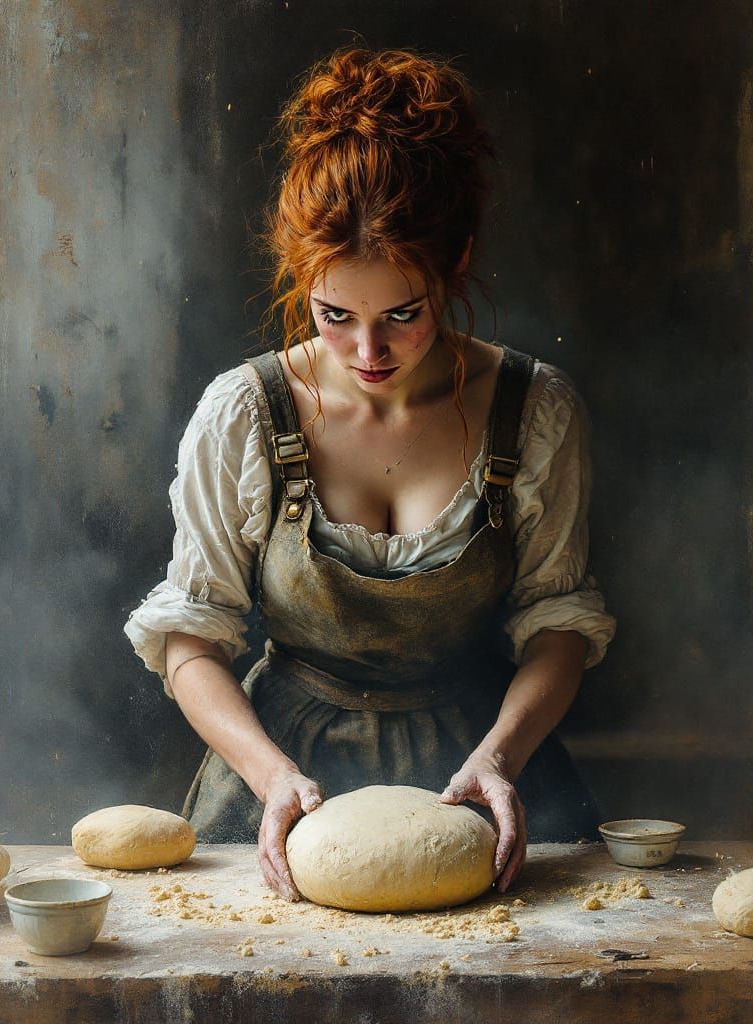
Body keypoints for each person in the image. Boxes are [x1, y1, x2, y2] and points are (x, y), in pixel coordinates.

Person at [124, 47, 616, 902]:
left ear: (455, 264)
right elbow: (191, 643)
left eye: (403, 314)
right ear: (301, 278)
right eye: (334, 314)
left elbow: (558, 629)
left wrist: (500, 757)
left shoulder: (535, 412)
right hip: (271, 784)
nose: (367, 351)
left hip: (484, 771)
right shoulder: (244, 414)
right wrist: (270, 777)